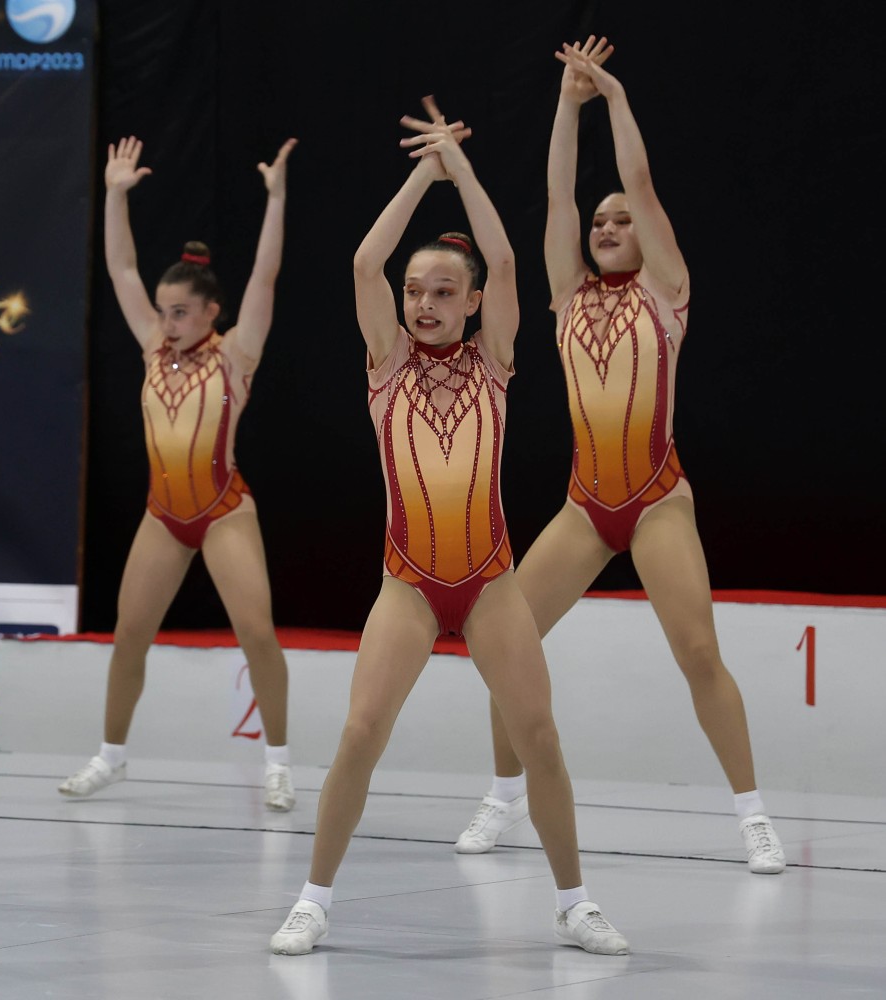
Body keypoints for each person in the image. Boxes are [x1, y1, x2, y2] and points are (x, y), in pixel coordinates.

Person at [270, 98, 628, 956]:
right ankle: (313, 900)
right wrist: (422, 175)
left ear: (473, 304)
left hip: (492, 584)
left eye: (442, 293)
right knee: (360, 732)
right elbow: (365, 261)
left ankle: (574, 903)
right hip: (409, 586)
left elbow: (504, 258)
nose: (424, 303)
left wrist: (461, 171)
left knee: (539, 736)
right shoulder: (387, 363)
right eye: (414, 292)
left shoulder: (493, 361)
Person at [454, 38, 785, 877]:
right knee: (504, 643)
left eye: (619, 221)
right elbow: (557, 195)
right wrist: (567, 106)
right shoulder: (567, 295)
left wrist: (614, 97)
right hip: (584, 507)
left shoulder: (667, 291)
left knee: (698, 653)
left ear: (647, 233)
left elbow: (638, 182)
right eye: (598, 224)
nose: (605, 227)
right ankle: (502, 796)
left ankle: (753, 815)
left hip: (656, 500)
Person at [58, 135, 299, 811]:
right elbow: (121, 267)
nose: (166, 322)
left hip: (223, 510)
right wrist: (114, 195)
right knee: (129, 636)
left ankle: (278, 763)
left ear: (211, 312)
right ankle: (110, 756)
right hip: (163, 515)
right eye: (163, 311)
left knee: (257, 634)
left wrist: (276, 199)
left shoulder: (237, 354)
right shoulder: (150, 347)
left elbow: (265, 277)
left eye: (180, 312)